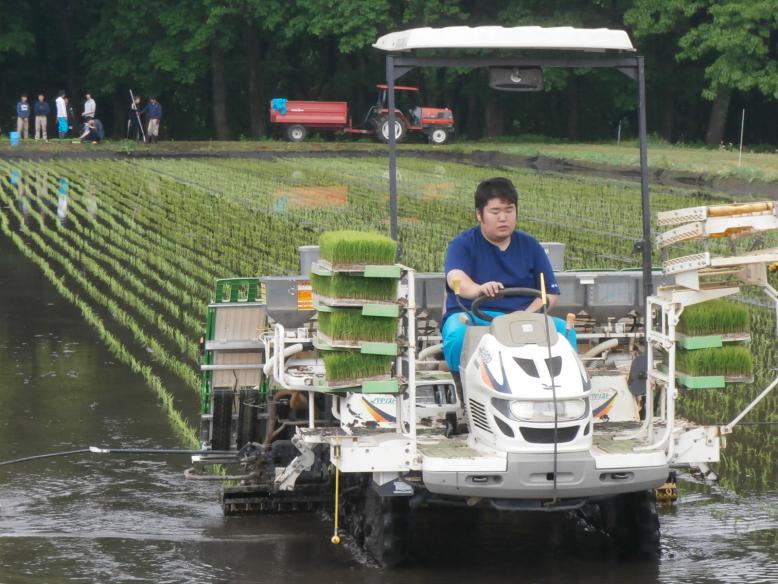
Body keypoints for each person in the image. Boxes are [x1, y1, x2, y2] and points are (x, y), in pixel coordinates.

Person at [441, 177, 575, 373]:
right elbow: (456, 277)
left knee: (563, 331)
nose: (503, 218)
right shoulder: (462, 244)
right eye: (495, 212)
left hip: (524, 317)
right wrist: (479, 289)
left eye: (509, 210)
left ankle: (563, 388)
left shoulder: (530, 246)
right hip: (476, 316)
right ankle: (460, 380)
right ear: (479, 214)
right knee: (458, 333)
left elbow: (550, 293)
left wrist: (524, 316)